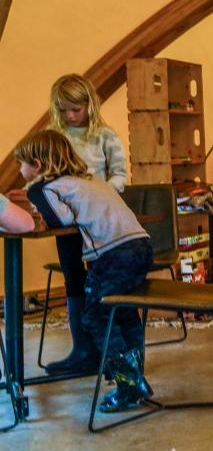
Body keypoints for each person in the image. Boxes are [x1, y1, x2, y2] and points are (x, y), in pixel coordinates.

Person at [14, 130, 153, 413]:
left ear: (37, 165)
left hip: (112, 255)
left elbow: (61, 218)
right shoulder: (90, 179)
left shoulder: (44, 188)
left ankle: (128, 384)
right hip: (141, 247)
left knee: (95, 316)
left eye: (22, 163)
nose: (19, 170)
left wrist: (32, 201)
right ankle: (137, 376)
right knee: (122, 312)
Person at [30, 73, 129, 376]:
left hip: (99, 222)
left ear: (90, 104)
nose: (71, 116)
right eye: (64, 110)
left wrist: (99, 196)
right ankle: (82, 351)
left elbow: (121, 177)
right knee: (74, 279)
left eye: (76, 109)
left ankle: (112, 352)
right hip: (67, 224)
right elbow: (40, 177)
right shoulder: (53, 137)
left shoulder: (104, 135)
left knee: (103, 280)